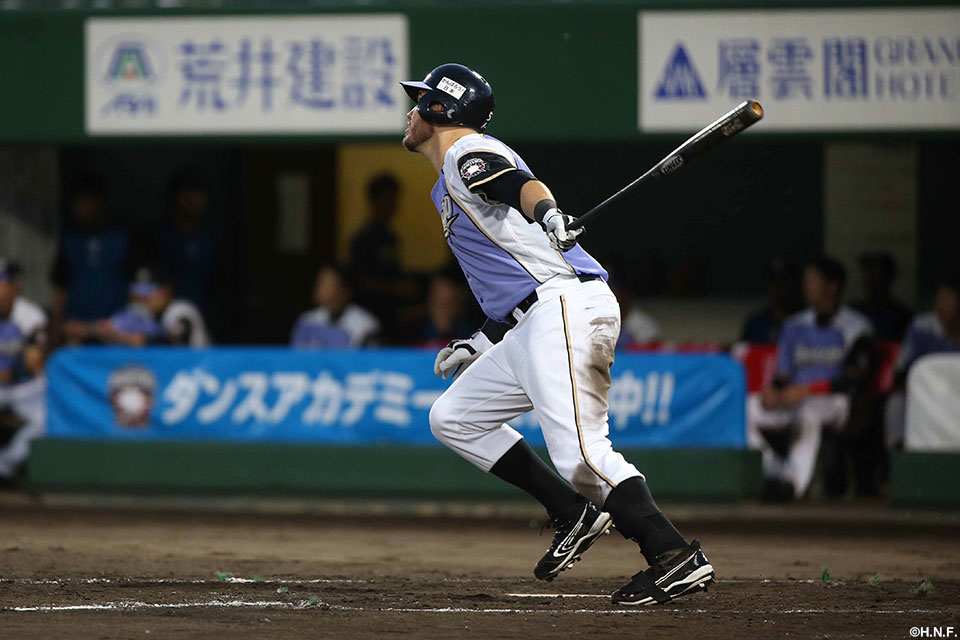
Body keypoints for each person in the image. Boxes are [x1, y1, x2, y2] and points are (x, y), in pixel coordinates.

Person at [401, 63, 713, 606]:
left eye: (420, 100)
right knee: (454, 417)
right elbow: (512, 269)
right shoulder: (447, 182)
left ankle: (672, 555)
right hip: (532, 319)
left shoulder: (465, 152)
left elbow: (514, 184)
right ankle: (572, 512)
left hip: (563, 308)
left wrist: (547, 212)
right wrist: (484, 339)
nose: (410, 111)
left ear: (439, 109)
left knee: (583, 455)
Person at [747, 257, 874, 500]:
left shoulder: (856, 326)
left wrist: (809, 390)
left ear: (832, 286)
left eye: (813, 281)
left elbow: (854, 381)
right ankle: (775, 470)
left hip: (835, 402)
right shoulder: (794, 325)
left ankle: (792, 485)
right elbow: (783, 375)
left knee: (809, 412)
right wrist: (774, 390)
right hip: (796, 398)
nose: (806, 287)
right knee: (747, 408)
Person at [51, 172, 135, 343]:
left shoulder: (121, 237)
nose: (84, 207)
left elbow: (137, 287)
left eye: (89, 201)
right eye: (79, 202)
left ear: (101, 202)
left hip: (116, 331)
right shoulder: (69, 239)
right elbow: (60, 287)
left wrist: (129, 326)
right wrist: (56, 332)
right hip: (76, 329)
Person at [884, 276, 960, 449]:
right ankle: (898, 455)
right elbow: (901, 372)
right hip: (927, 397)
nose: (940, 307)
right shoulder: (922, 327)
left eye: (947, 300)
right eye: (939, 299)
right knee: (896, 402)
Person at [0, 260, 49, 484]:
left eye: (2, 283)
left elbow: (34, 363)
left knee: (46, 419)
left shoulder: (31, 315)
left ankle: (5, 465)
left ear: (14, 287)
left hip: (25, 388)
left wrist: (10, 373)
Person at [153, 169, 219, 315]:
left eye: (199, 196)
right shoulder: (158, 238)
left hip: (204, 317)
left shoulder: (210, 239)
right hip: (168, 318)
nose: (194, 202)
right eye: (188, 196)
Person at [290, 265, 380, 348]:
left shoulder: (365, 324)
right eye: (319, 281)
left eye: (326, 282)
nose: (318, 286)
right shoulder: (307, 320)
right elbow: (295, 355)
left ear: (344, 289)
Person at [741, 258, 803, 344]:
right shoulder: (756, 324)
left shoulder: (805, 322)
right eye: (773, 282)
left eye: (782, 282)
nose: (777, 288)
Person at [852, 252, 912, 342]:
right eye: (867, 271)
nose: (869, 276)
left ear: (888, 276)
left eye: (875, 272)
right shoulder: (853, 311)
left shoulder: (902, 315)